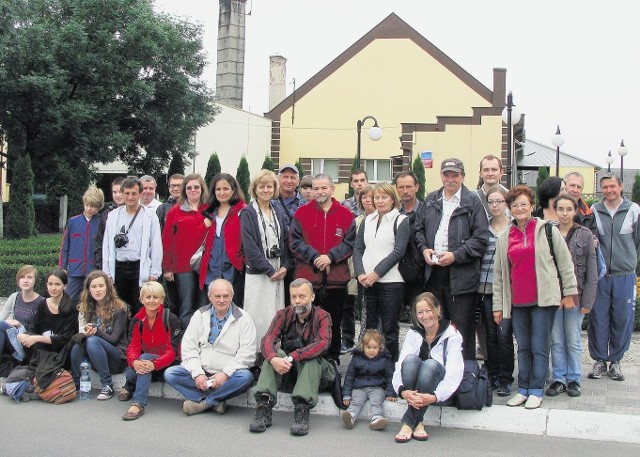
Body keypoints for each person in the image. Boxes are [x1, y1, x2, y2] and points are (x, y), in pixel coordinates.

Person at [493, 185, 577, 410]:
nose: (519, 208)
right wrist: (498, 306)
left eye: (523, 204)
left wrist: (569, 293)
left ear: (531, 206)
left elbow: (565, 263)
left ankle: (536, 390)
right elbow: (500, 275)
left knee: (539, 346)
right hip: (518, 301)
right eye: (514, 205)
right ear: (510, 209)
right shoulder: (505, 237)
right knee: (523, 347)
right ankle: (523, 389)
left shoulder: (547, 230)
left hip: (543, 300)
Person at [414, 158, 489, 360]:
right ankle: (438, 371)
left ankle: (465, 378)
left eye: (455, 175)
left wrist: (456, 255)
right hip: (433, 274)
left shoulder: (472, 202)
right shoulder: (431, 200)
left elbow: (481, 239)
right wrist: (424, 250)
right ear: (441, 176)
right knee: (435, 325)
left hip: (461, 276)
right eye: (446, 174)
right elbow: (418, 231)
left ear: (463, 176)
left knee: (461, 329)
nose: (450, 179)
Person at [249, 278, 334, 436]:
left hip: (317, 375)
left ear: (312, 297)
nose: (297, 301)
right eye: (293, 297)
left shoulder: (323, 316)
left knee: (311, 358)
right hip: (290, 373)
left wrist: (294, 357)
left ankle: (302, 411)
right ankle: (263, 408)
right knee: (272, 354)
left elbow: (322, 344)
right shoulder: (283, 314)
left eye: (302, 296)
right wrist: (274, 358)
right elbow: (267, 339)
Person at [164, 279, 257, 416]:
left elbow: (247, 354)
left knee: (246, 377)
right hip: (202, 372)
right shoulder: (200, 315)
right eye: (217, 296)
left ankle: (205, 402)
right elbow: (189, 348)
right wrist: (198, 373)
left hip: (228, 375)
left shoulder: (244, 318)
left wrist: (225, 374)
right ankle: (217, 400)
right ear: (210, 297)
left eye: (226, 296)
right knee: (171, 374)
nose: (221, 300)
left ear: (232, 296)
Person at [290, 173, 355, 361]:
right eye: (316, 188)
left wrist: (331, 258)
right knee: (306, 322)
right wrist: (316, 257)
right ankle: (306, 359)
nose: (319, 191)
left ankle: (332, 360)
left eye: (323, 187)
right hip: (308, 281)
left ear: (332, 189)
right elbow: (295, 242)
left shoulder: (345, 214)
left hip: (336, 280)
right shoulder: (302, 213)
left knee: (333, 322)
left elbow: (350, 243)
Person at [588, 172, 640, 382]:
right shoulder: (594, 210)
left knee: (622, 318)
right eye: (605, 187)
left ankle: (616, 361)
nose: (608, 191)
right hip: (600, 275)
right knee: (598, 318)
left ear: (620, 187)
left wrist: (629, 261)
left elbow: (637, 242)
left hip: (624, 274)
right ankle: (599, 361)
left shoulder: (633, 210)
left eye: (612, 186)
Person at [392, 292, 463, 443]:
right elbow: (400, 365)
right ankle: (418, 423)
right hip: (415, 392)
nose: (425, 316)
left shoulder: (452, 335)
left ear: (438, 310)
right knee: (409, 360)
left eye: (428, 310)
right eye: (420, 312)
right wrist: (402, 390)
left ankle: (408, 423)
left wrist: (436, 396)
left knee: (429, 364)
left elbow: (454, 373)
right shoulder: (413, 333)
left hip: (438, 391)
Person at [547, 193, 597, 398]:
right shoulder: (548, 233)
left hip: (576, 297)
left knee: (573, 339)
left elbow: (592, 272)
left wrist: (588, 302)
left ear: (575, 211)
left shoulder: (584, 234)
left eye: (569, 209)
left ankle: (574, 379)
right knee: (556, 340)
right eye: (560, 209)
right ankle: (559, 378)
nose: (564, 213)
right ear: (555, 210)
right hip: (553, 297)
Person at [353, 182, 409, 361]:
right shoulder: (367, 220)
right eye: (376, 197)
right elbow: (358, 248)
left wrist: (376, 273)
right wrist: (360, 273)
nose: (379, 201)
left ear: (393, 199)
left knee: (390, 329)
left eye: (384, 197)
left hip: (391, 283)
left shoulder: (401, 220)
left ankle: (391, 368)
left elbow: (398, 251)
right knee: (370, 329)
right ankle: (369, 367)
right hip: (367, 282)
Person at [120, 281, 182, 421]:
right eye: (148, 297)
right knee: (130, 372)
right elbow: (133, 347)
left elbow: (172, 352)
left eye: (156, 297)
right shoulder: (137, 320)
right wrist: (135, 362)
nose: (152, 301)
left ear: (162, 299)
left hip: (168, 365)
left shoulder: (171, 319)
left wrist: (154, 364)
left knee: (145, 358)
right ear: (142, 299)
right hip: (145, 365)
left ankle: (138, 403)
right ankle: (130, 383)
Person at [241, 170, 290, 346]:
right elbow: (250, 247)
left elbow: (285, 240)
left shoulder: (277, 210)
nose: (265, 190)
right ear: (255, 189)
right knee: (258, 315)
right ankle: (256, 357)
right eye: (261, 186)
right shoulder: (248, 212)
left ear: (275, 188)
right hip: (259, 272)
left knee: (275, 314)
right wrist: (269, 271)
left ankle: (273, 352)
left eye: (269, 186)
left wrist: (285, 265)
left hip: (278, 270)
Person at [102, 177, 162, 315]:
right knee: (120, 308)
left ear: (140, 194)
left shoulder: (150, 216)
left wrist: (154, 272)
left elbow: (156, 244)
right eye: (127, 193)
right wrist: (107, 272)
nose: (130, 197)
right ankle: (123, 336)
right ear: (122, 194)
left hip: (139, 267)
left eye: (134, 193)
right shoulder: (113, 216)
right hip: (119, 267)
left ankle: (138, 335)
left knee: (140, 306)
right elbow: (107, 245)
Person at [70, 270, 129, 401]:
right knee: (79, 344)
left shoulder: (120, 309)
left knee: (92, 341)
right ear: (89, 290)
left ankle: (107, 386)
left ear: (108, 287)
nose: (97, 290)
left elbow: (114, 339)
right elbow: (80, 335)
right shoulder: (86, 308)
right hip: (95, 356)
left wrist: (97, 331)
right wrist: (84, 334)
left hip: (117, 358)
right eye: (94, 287)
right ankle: (75, 382)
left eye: (101, 286)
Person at [478, 187, 514, 397]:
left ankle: (506, 377)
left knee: (504, 335)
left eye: (499, 201)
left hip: (507, 291)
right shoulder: (483, 228)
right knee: (489, 335)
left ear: (506, 203)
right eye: (491, 202)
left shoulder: (513, 229)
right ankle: (491, 374)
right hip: (485, 287)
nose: (495, 205)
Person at [162, 173, 209, 327]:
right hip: (182, 267)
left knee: (204, 305)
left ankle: (203, 342)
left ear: (202, 189)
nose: (193, 190)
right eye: (189, 188)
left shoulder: (209, 209)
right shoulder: (175, 211)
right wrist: (167, 267)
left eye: (196, 187)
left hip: (205, 266)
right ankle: (185, 343)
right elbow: (167, 240)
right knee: (186, 306)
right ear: (184, 190)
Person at [199, 173, 247, 304]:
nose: (222, 192)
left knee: (234, 309)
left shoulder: (242, 211)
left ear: (233, 190)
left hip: (233, 269)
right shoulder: (207, 212)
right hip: (211, 269)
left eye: (226, 189)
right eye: (218, 189)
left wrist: (242, 260)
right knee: (211, 309)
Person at [17, 270, 78, 362]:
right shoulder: (42, 304)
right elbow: (34, 329)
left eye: (57, 284)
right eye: (50, 284)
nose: (53, 288)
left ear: (65, 286)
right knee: (25, 339)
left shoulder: (71, 307)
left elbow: (66, 338)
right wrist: (24, 336)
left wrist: (38, 338)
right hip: (43, 346)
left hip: (63, 349)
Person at [340, 329, 396, 430]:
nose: (371, 350)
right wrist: (346, 395)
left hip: (377, 387)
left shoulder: (384, 359)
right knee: (356, 401)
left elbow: (390, 377)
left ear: (380, 347)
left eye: (375, 347)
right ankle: (350, 416)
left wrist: (390, 393)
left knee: (376, 401)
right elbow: (349, 376)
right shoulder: (357, 358)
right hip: (359, 387)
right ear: (363, 347)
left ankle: (377, 418)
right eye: (368, 347)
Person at [59, 186, 104, 303]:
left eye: (93, 206)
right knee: (69, 302)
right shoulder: (73, 222)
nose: (89, 209)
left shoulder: (102, 223)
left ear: (99, 207)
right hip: (75, 270)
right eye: (87, 205)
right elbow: (65, 247)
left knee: (93, 302)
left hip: (93, 270)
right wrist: (62, 267)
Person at [340, 169, 369, 353]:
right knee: (347, 303)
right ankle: (347, 339)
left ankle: (367, 339)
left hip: (370, 262)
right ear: (351, 184)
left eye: (362, 180)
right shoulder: (345, 205)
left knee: (367, 304)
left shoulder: (375, 201)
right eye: (356, 181)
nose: (359, 183)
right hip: (350, 260)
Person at [272, 164, 307, 307]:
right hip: (275, 259)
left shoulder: (305, 205)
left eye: (293, 177)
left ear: (298, 181)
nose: (289, 180)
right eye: (285, 177)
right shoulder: (270, 202)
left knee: (295, 300)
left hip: (298, 260)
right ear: (278, 180)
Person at [394, 171, 426, 317]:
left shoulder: (426, 211)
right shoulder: (392, 213)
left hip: (419, 274)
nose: (405, 191)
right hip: (394, 271)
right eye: (401, 187)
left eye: (409, 186)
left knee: (419, 316)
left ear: (417, 187)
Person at [0, 266, 45, 364]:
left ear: (35, 281)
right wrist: (8, 322)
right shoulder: (14, 297)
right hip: (13, 338)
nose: (25, 280)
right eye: (22, 277)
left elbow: (42, 332)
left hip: (28, 343)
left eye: (29, 277)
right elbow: (1, 319)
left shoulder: (41, 303)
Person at [95, 177, 125, 270]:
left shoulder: (136, 212)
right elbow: (100, 241)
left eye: (120, 192)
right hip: (109, 263)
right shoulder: (106, 214)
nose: (117, 195)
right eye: (114, 192)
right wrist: (100, 265)